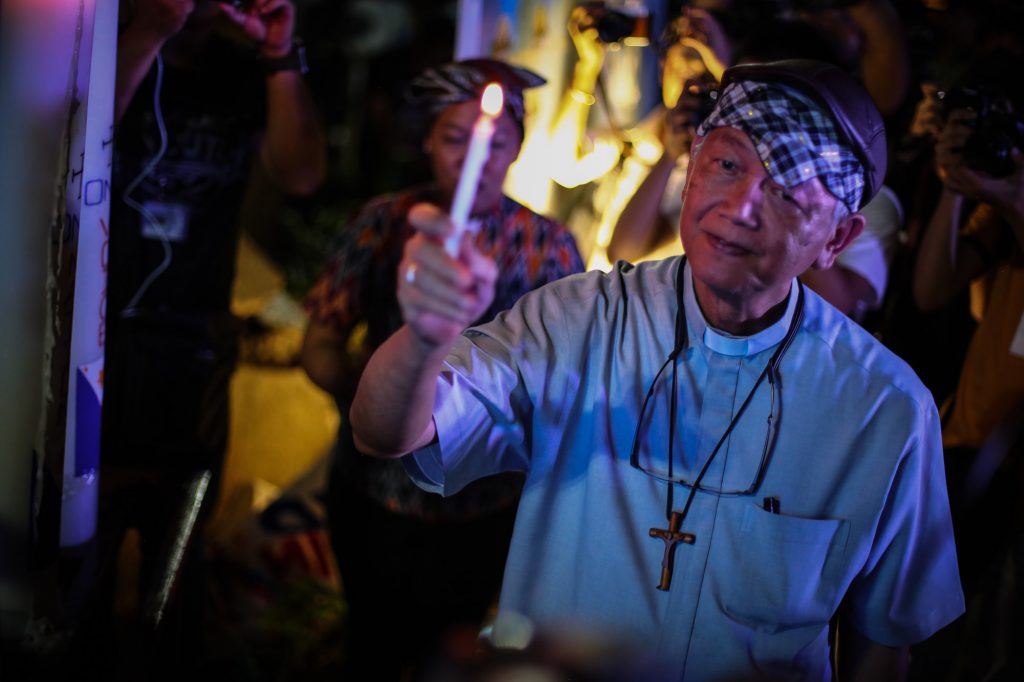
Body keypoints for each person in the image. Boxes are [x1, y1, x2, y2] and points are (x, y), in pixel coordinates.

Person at [348, 60, 965, 680]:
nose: (741, 206)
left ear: (839, 237)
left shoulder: (883, 409)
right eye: (727, 164)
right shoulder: (578, 320)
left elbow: (885, 643)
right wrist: (426, 340)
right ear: (692, 169)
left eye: (785, 190)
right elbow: (389, 432)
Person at [301, 59, 585, 680]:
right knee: (372, 645)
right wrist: (379, 398)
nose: (472, 158)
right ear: (427, 139)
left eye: (492, 142)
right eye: (453, 139)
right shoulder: (380, 224)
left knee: (451, 654)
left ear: (515, 147)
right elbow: (319, 341)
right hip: (375, 493)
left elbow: (565, 372)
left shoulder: (549, 246)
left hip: (483, 505)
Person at [98, 0, 325, 668]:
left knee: (180, 545)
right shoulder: (101, 41)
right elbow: (75, 137)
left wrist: (280, 56)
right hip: (98, 333)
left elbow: (303, 173)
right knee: (86, 537)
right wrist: (152, 31)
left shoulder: (239, 67)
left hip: (197, 338)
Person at [910, 76, 1024, 680]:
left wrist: (1010, 198)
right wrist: (958, 185)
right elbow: (932, 289)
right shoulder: (1002, 212)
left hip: (1011, 478)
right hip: (966, 451)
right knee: (934, 639)